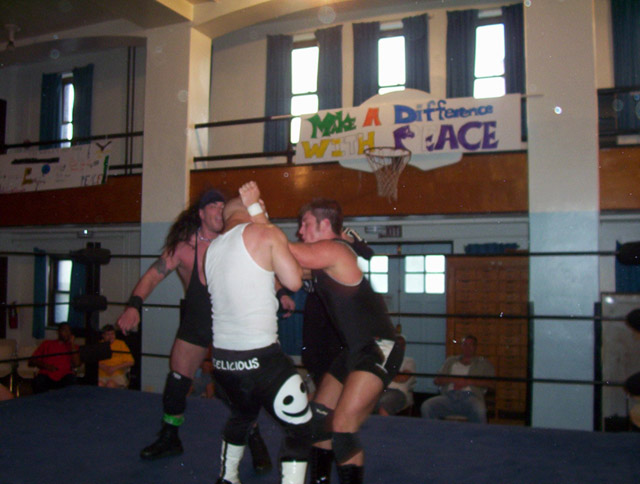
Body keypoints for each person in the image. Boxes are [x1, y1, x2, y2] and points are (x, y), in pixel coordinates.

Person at [116, 188, 271, 472]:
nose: (220, 210)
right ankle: (170, 436)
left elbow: (262, 265)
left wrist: (281, 293)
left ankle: (255, 438)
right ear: (201, 213)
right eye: (213, 206)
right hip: (196, 320)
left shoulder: (234, 241)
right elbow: (153, 275)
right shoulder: (184, 247)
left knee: (237, 387)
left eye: (223, 206)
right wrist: (133, 306)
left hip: (228, 322)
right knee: (177, 378)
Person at [286, 197, 404, 484]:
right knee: (319, 418)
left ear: (325, 224)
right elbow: (287, 270)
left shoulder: (334, 250)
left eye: (306, 224)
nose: (300, 231)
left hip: (379, 348)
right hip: (353, 350)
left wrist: (255, 217)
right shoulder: (325, 257)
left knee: (342, 427)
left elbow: (286, 251)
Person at [205, 190, 311, 484]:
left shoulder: (212, 250)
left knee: (241, 416)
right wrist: (261, 217)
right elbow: (294, 281)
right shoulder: (264, 233)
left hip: (223, 363)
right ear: (251, 208)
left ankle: (227, 478)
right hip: (261, 360)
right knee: (301, 427)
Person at [420, 334, 495, 423]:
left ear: (475, 347)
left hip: (471, 397)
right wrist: (454, 380)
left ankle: (478, 432)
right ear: (461, 346)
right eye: (465, 344)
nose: (467, 347)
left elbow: (492, 384)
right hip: (449, 397)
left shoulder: (483, 363)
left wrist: (468, 382)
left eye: (471, 345)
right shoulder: (450, 361)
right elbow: (437, 380)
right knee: (427, 406)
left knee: (480, 410)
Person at [29, 323, 81, 394]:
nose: (67, 333)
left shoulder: (74, 347)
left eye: (69, 331)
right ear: (58, 332)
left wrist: (72, 344)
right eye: (64, 330)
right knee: (38, 382)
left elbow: (77, 364)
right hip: (46, 374)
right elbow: (31, 361)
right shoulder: (47, 344)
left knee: (72, 381)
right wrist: (45, 366)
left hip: (65, 376)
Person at [374, 333, 416, 416]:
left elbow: (403, 378)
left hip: (398, 391)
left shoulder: (409, 361)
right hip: (381, 389)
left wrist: (385, 374)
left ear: (404, 347)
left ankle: (384, 423)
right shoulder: (383, 360)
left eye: (399, 345)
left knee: (385, 402)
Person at [98, 324, 134, 389]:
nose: (111, 337)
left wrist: (114, 368)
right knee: (99, 384)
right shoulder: (99, 344)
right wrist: (102, 366)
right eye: (108, 334)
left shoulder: (121, 344)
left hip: (117, 374)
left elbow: (131, 362)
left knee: (110, 384)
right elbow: (91, 360)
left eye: (112, 334)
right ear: (103, 335)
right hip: (101, 374)